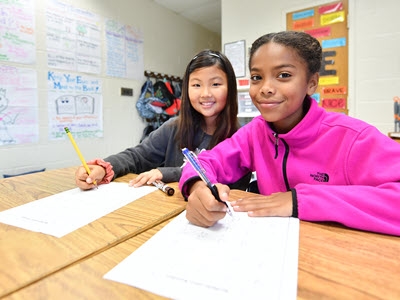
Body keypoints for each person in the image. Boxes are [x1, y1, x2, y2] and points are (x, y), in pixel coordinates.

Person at [179, 31, 400, 236]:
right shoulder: (255, 133)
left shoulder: (352, 138)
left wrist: (299, 201)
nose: (265, 88)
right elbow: (205, 161)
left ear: (311, 83)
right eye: (257, 77)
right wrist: (198, 186)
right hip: (275, 249)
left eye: (283, 75)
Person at [75, 49, 251, 191]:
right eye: (196, 85)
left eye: (215, 84)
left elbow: (231, 186)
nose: (205, 93)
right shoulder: (174, 127)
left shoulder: (240, 138)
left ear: (230, 89)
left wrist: (168, 173)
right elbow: (138, 156)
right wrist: (104, 168)